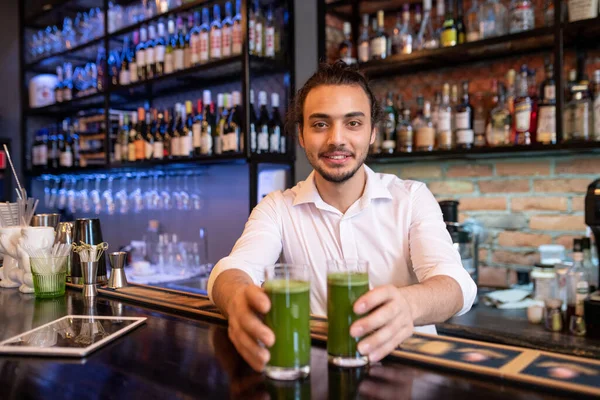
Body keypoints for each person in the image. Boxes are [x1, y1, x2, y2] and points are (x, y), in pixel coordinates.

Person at [208, 61, 477, 372]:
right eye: (320, 124)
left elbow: (457, 284)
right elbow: (233, 269)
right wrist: (238, 299)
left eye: (353, 123)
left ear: (373, 132)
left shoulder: (412, 197)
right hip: (321, 377)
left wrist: (409, 304)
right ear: (301, 135)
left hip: (410, 378)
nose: (336, 138)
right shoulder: (276, 208)